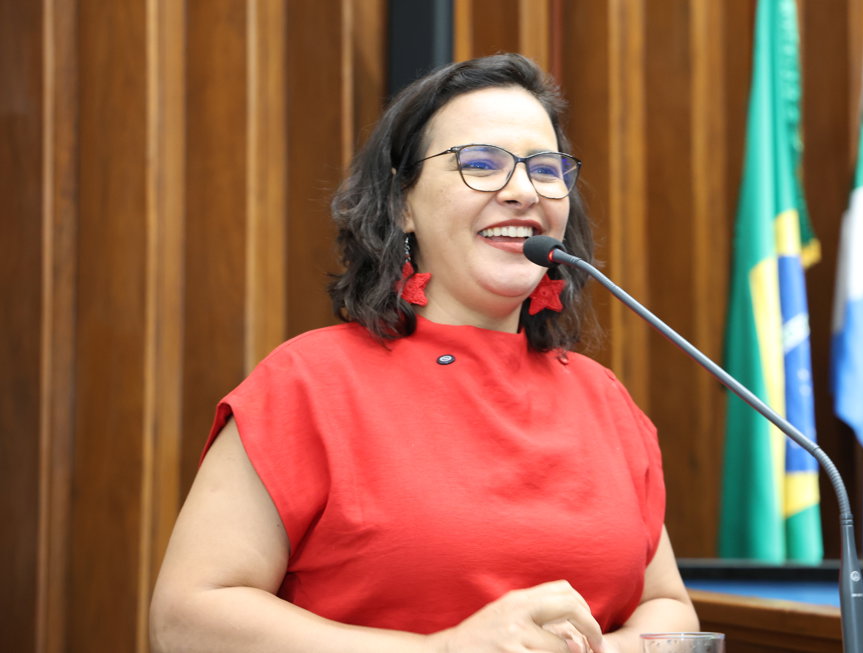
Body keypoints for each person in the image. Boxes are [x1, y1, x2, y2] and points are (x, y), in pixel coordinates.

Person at [150, 53, 698, 653]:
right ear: (402, 204)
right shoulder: (309, 383)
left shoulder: (604, 398)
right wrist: (443, 651)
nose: (522, 191)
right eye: (481, 163)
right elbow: (186, 619)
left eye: (545, 169)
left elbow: (667, 607)